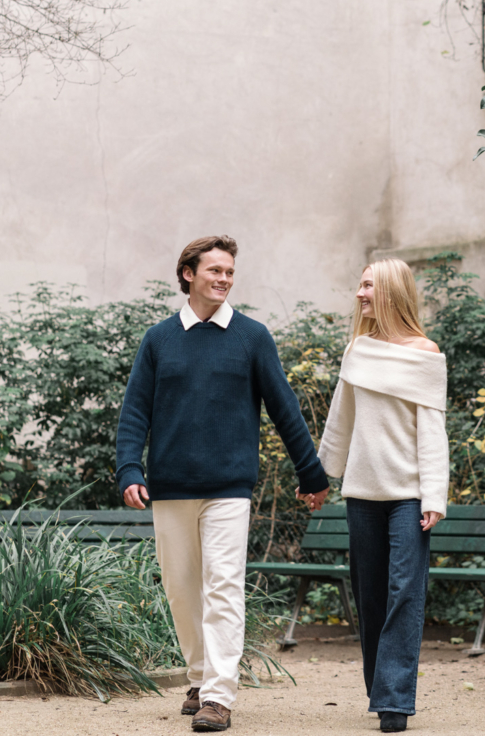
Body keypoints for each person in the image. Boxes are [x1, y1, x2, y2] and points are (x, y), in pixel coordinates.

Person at [116, 235, 331, 733]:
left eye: (230, 272)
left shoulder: (251, 337)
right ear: (188, 274)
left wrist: (311, 473)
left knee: (224, 587)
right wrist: (130, 469)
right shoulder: (159, 340)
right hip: (170, 487)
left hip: (229, 487)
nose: (224, 279)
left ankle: (218, 696)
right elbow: (134, 413)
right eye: (215, 270)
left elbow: (284, 408)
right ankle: (199, 676)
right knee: (180, 588)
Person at [317, 258, 448, 734]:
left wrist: (434, 494)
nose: (360, 294)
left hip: (410, 496)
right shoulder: (358, 351)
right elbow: (340, 420)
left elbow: (432, 432)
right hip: (362, 495)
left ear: (391, 291)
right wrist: (320, 477)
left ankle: (393, 701)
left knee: (404, 592)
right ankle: (381, 687)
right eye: (359, 285)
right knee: (370, 595)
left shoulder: (425, 352)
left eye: (368, 285)